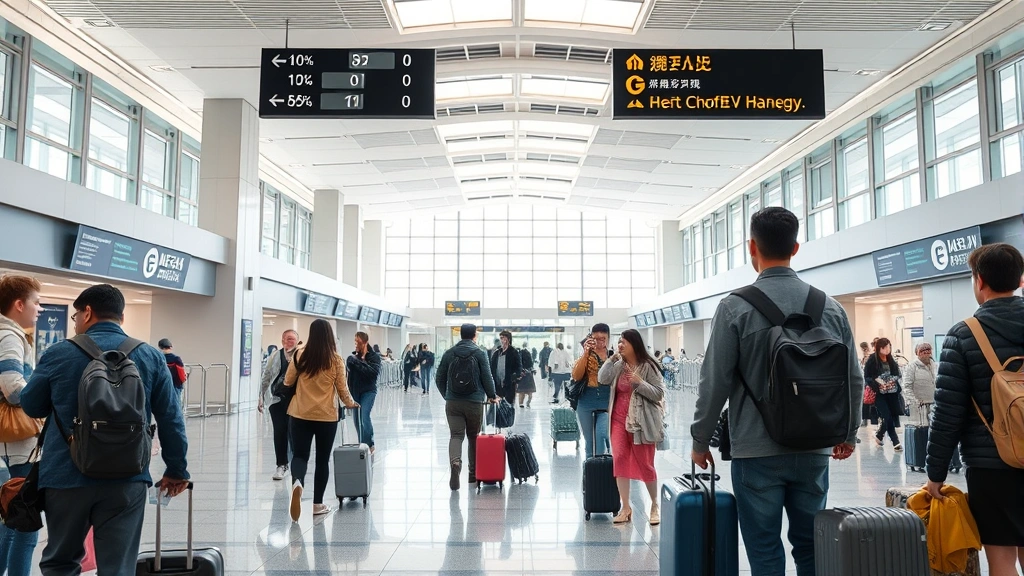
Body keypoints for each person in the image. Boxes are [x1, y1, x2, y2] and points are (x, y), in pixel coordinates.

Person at [690, 207, 861, 576]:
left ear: (752, 247)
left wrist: (700, 440)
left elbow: (714, 380)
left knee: (765, 550)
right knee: (812, 547)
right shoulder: (829, 307)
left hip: (756, 449)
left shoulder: (735, 307)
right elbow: (853, 377)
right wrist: (848, 433)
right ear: (796, 248)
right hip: (815, 447)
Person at [22, 284, 189, 575]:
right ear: (120, 317)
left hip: (65, 476)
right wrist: (176, 469)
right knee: (118, 567)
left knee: (60, 562)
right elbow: (172, 418)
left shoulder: (59, 353)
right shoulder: (151, 357)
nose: (75, 324)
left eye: (75, 317)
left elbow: (32, 405)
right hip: (128, 478)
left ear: (87, 312)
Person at [926, 243, 1024, 576]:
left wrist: (935, 473)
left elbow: (947, 414)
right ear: (1019, 279)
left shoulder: (964, 335)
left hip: (991, 467)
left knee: (1001, 561)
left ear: (979, 281)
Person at [284, 319, 358, 521]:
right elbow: (343, 390)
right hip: (326, 416)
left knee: (299, 455)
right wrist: (351, 403)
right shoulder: (335, 359)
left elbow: (288, 381)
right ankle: (317, 504)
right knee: (322, 459)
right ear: (329, 335)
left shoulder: (299, 354)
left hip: (300, 413)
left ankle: (298, 483)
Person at [598, 329, 665, 526]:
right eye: (619, 342)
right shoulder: (619, 366)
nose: (620, 345)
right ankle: (625, 507)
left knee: (645, 464)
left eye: (623, 342)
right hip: (618, 421)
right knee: (619, 460)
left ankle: (654, 505)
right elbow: (602, 378)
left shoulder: (649, 366)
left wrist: (640, 383)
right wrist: (611, 359)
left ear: (634, 344)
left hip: (640, 423)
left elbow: (658, 394)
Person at [0, 275, 43, 576]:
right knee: (25, 525)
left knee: (9, 520)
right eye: (36, 302)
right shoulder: (9, 335)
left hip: (9, 446)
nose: (39, 309)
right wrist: (43, 396)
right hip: (15, 446)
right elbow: (13, 387)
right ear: (19, 304)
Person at [434, 324, 497, 491]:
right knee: (473, 437)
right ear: (474, 335)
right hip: (474, 403)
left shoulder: (449, 353)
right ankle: (472, 474)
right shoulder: (480, 353)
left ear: (460, 335)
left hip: (453, 403)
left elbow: (439, 377)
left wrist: (447, 395)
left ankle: (455, 462)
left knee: (456, 435)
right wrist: (491, 395)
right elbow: (487, 377)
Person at [258, 329, 299, 481]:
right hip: (277, 399)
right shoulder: (275, 356)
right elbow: (267, 376)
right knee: (280, 431)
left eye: (293, 339)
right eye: (288, 339)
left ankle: (296, 463)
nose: (291, 342)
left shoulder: (301, 356)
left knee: (294, 432)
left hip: (296, 400)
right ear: (282, 340)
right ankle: (281, 464)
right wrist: (261, 396)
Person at [573, 324, 613, 458]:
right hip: (585, 402)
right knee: (589, 443)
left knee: (601, 436)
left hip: (607, 404)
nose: (600, 342)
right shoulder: (586, 355)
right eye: (596, 338)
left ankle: (602, 468)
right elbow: (576, 376)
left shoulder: (613, 356)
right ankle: (590, 474)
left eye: (603, 338)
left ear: (608, 338)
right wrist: (585, 354)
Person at [864, 337, 903, 450]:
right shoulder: (872, 359)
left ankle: (879, 435)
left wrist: (892, 380)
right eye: (885, 347)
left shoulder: (891, 359)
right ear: (879, 348)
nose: (887, 349)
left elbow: (897, 373)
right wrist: (878, 383)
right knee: (887, 416)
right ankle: (895, 441)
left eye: (889, 347)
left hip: (892, 392)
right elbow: (867, 376)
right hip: (879, 393)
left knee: (891, 415)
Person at [347, 332, 381, 455]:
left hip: (369, 391)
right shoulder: (352, 358)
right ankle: (362, 443)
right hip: (355, 392)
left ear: (365, 342)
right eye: (355, 341)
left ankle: (368, 444)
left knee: (364, 416)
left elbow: (372, 373)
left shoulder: (374, 357)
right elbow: (349, 376)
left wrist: (357, 363)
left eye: (359, 342)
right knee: (356, 420)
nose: (356, 344)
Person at [903, 342, 937, 426]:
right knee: (920, 433)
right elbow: (907, 386)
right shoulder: (911, 366)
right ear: (917, 353)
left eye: (928, 350)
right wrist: (914, 402)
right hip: (918, 407)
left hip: (933, 404)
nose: (926, 353)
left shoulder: (935, 365)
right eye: (922, 351)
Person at [490, 331, 521, 406]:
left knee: (509, 404)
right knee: (498, 404)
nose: (502, 340)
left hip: (508, 383)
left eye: (503, 338)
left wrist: (513, 377)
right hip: (497, 383)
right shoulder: (496, 353)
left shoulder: (513, 352)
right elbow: (491, 367)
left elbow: (519, 367)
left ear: (508, 339)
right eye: (501, 338)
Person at [158, 338, 186, 406]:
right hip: (176, 385)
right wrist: (183, 380)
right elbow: (181, 374)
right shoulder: (176, 359)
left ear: (161, 348)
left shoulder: (159, 358)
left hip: (163, 385)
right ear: (170, 347)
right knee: (176, 404)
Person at [517, 342, 536, 408]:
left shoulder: (520, 353)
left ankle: (521, 403)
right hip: (529, 374)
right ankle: (528, 402)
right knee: (530, 391)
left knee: (521, 391)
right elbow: (531, 364)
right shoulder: (528, 353)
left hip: (522, 374)